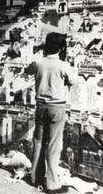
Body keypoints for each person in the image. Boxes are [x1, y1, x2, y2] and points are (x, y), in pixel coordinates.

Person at [25, 33, 77, 193]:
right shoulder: (63, 65)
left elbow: (27, 70)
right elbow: (74, 81)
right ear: (61, 48)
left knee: (38, 142)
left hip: (40, 107)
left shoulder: (38, 63)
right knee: (54, 145)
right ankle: (52, 184)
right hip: (57, 107)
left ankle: (35, 177)